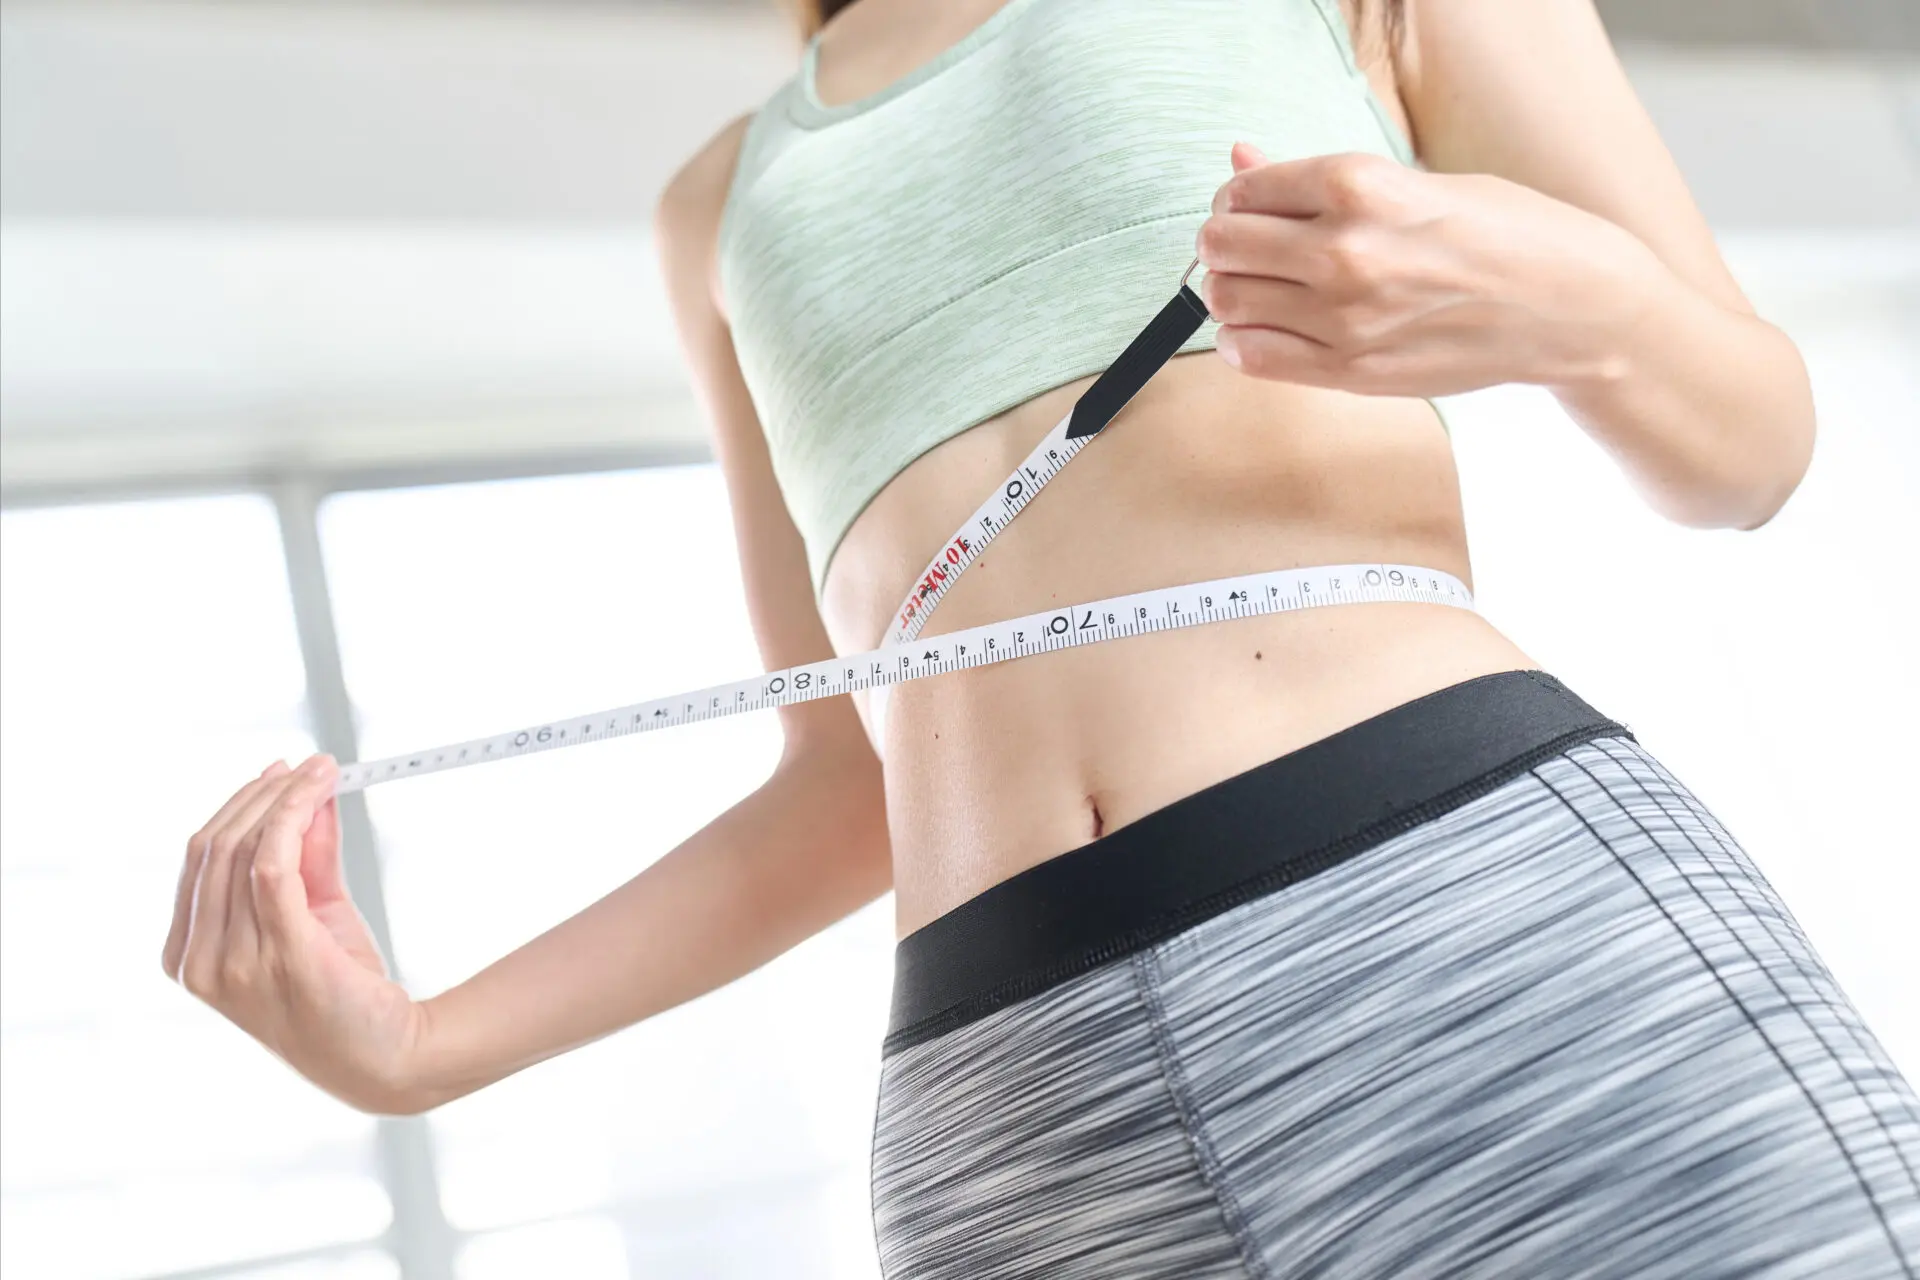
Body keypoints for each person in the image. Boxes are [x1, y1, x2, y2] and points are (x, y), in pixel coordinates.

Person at [163, 0, 1920, 1275]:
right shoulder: (718, 204)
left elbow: (1750, 447)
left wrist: (1574, 302)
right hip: (1010, 1099)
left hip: (1463, 934)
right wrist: (426, 1048)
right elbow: (849, 781)